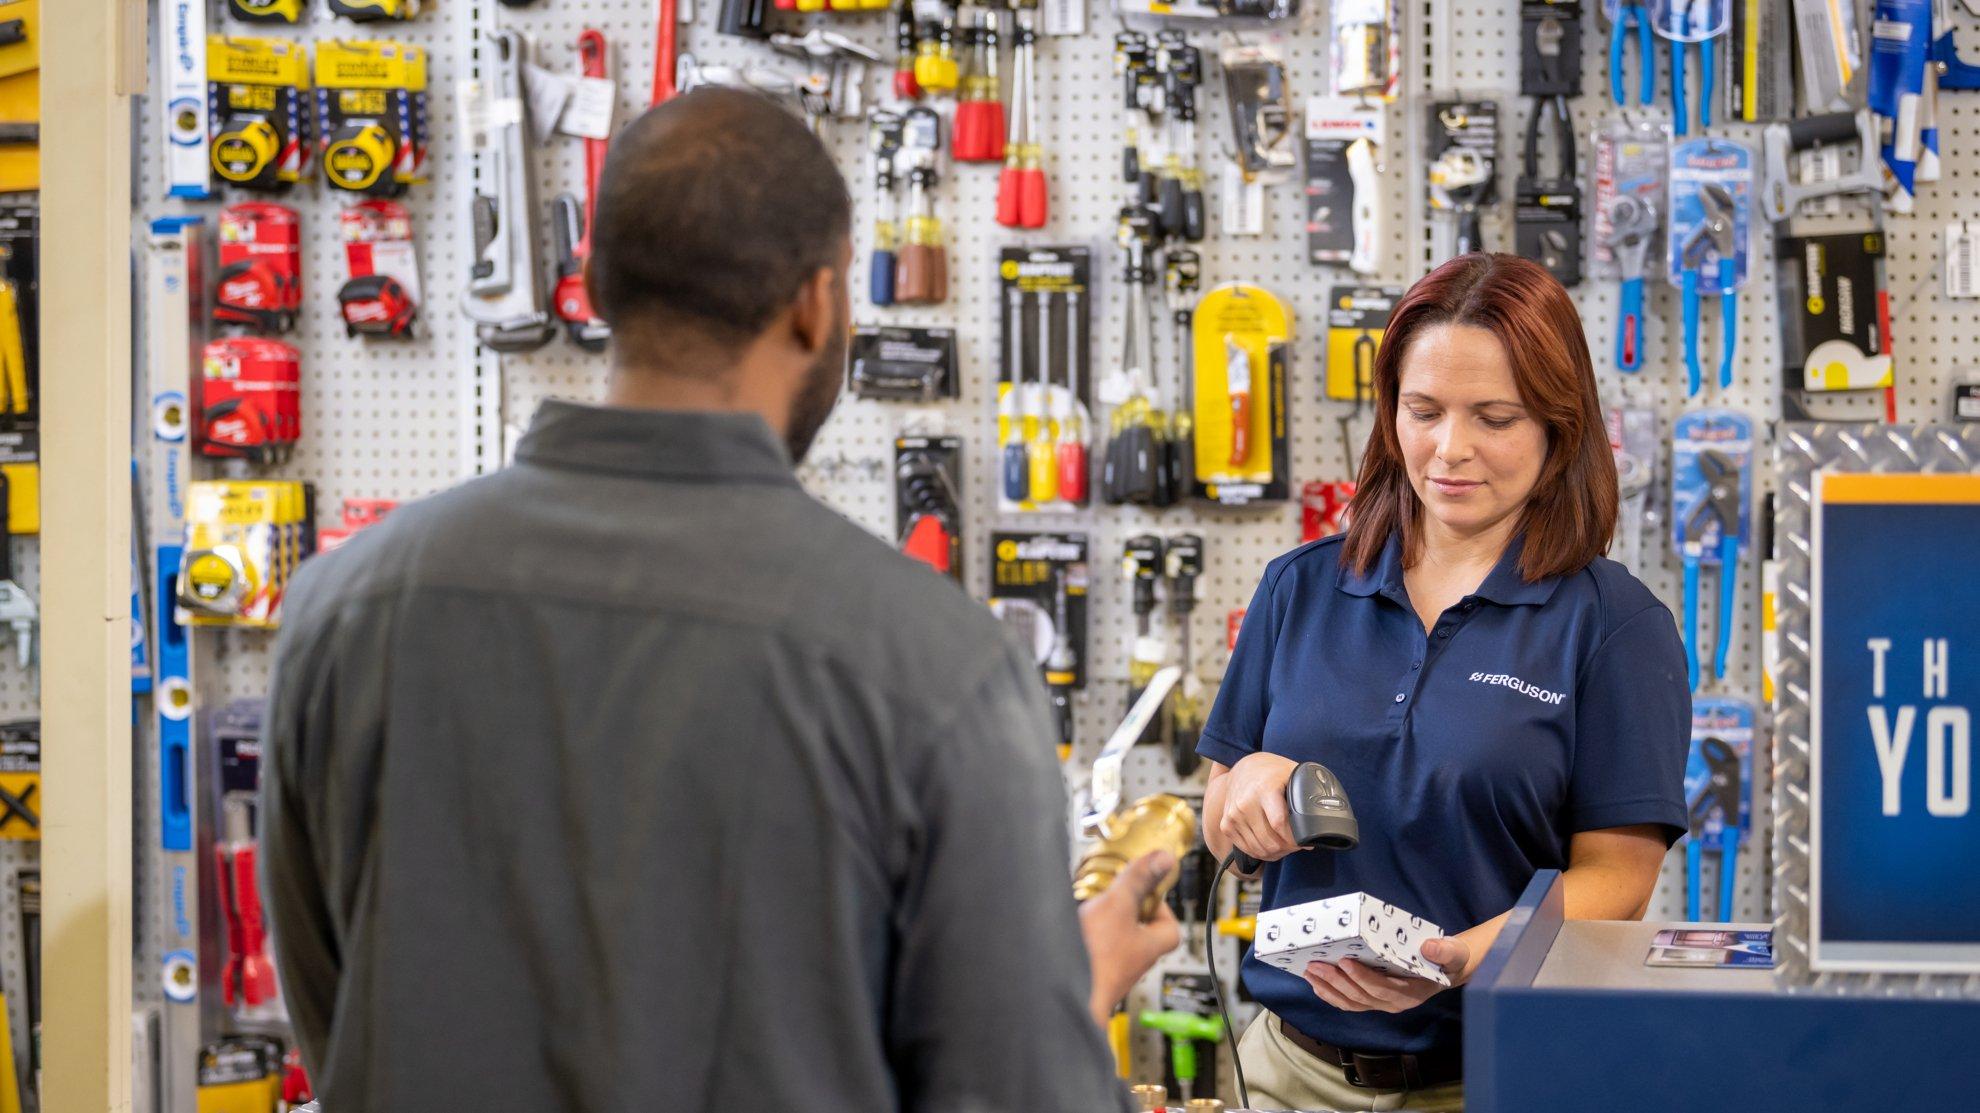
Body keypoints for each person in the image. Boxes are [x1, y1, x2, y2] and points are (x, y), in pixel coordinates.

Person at [260, 87, 1176, 1113]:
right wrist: (1065, 993)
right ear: (817, 303)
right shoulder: (937, 666)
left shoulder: (343, 610)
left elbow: (339, 1020)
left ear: (598, 284)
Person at [1198, 254, 1690, 1112]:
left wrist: (1468, 960)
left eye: (1493, 417)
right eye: (1422, 411)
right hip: (1283, 1074)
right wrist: (1251, 788)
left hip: (1492, 1079)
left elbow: (1618, 877)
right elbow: (1220, 826)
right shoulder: (1300, 586)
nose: (1449, 449)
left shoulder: (1614, 624)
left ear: (1558, 427)